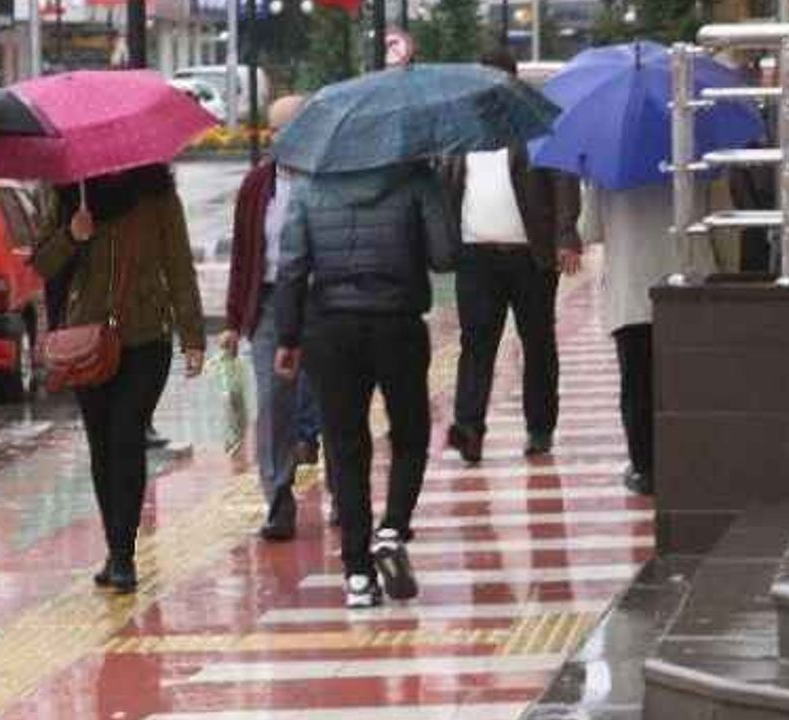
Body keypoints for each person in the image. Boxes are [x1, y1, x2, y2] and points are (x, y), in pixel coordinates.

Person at [275, 162, 456, 608]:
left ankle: (357, 574)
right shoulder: (415, 178)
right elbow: (445, 256)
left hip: (330, 329)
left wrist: (288, 336)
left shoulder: (309, 186)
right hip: (399, 322)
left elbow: (292, 266)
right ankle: (393, 528)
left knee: (345, 445)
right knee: (410, 432)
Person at [33, 164, 206, 593]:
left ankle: (124, 553)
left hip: (146, 337)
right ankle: (114, 546)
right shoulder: (68, 193)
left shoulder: (157, 193)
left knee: (127, 435)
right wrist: (72, 235)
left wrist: (192, 336)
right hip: (87, 343)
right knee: (102, 444)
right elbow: (42, 264)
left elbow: (179, 264)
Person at [444, 49, 583, 465]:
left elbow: (563, 176)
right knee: (476, 343)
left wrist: (566, 234)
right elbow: (446, 182)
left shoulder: (538, 124)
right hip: (476, 255)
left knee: (537, 342)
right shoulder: (461, 130)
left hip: (530, 256)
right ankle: (469, 428)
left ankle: (540, 428)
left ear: (512, 82)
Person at [583, 181, 717, 495]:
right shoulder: (690, 161)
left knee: (636, 385)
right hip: (688, 284)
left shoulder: (606, 169)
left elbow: (590, 231)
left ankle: (644, 469)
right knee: (688, 381)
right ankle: (690, 461)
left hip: (631, 288)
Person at [220, 94, 313, 542]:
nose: (280, 139)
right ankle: (278, 499)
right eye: (274, 131)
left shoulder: (325, 176)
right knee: (274, 401)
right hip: (271, 301)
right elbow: (244, 254)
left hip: (320, 297)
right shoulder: (258, 185)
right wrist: (234, 320)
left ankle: (344, 492)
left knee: (330, 396)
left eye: (288, 129)